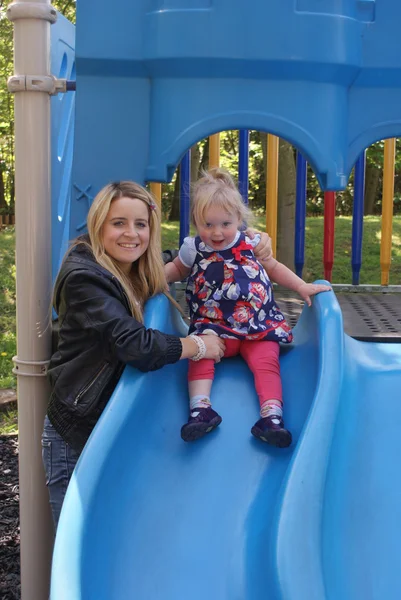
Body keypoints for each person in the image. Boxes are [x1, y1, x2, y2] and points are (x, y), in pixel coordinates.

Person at [42, 180, 273, 527]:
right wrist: (198, 345)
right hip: (79, 427)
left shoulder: (131, 264)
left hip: (118, 420)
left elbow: (189, 256)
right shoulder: (84, 278)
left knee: (118, 528)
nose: (131, 234)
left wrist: (244, 237)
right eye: (118, 223)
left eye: (141, 224)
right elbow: (134, 344)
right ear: (98, 225)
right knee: (78, 534)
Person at [165, 169, 331, 447]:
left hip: (258, 326)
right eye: (208, 224)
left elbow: (275, 268)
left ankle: (271, 417)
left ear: (239, 220)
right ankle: (200, 410)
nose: (216, 232)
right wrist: (149, 281)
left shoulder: (252, 243)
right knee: (199, 352)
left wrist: (301, 286)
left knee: (267, 363)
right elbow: (174, 270)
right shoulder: (193, 248)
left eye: (225, 223)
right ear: (196, 222)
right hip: (214, 328)